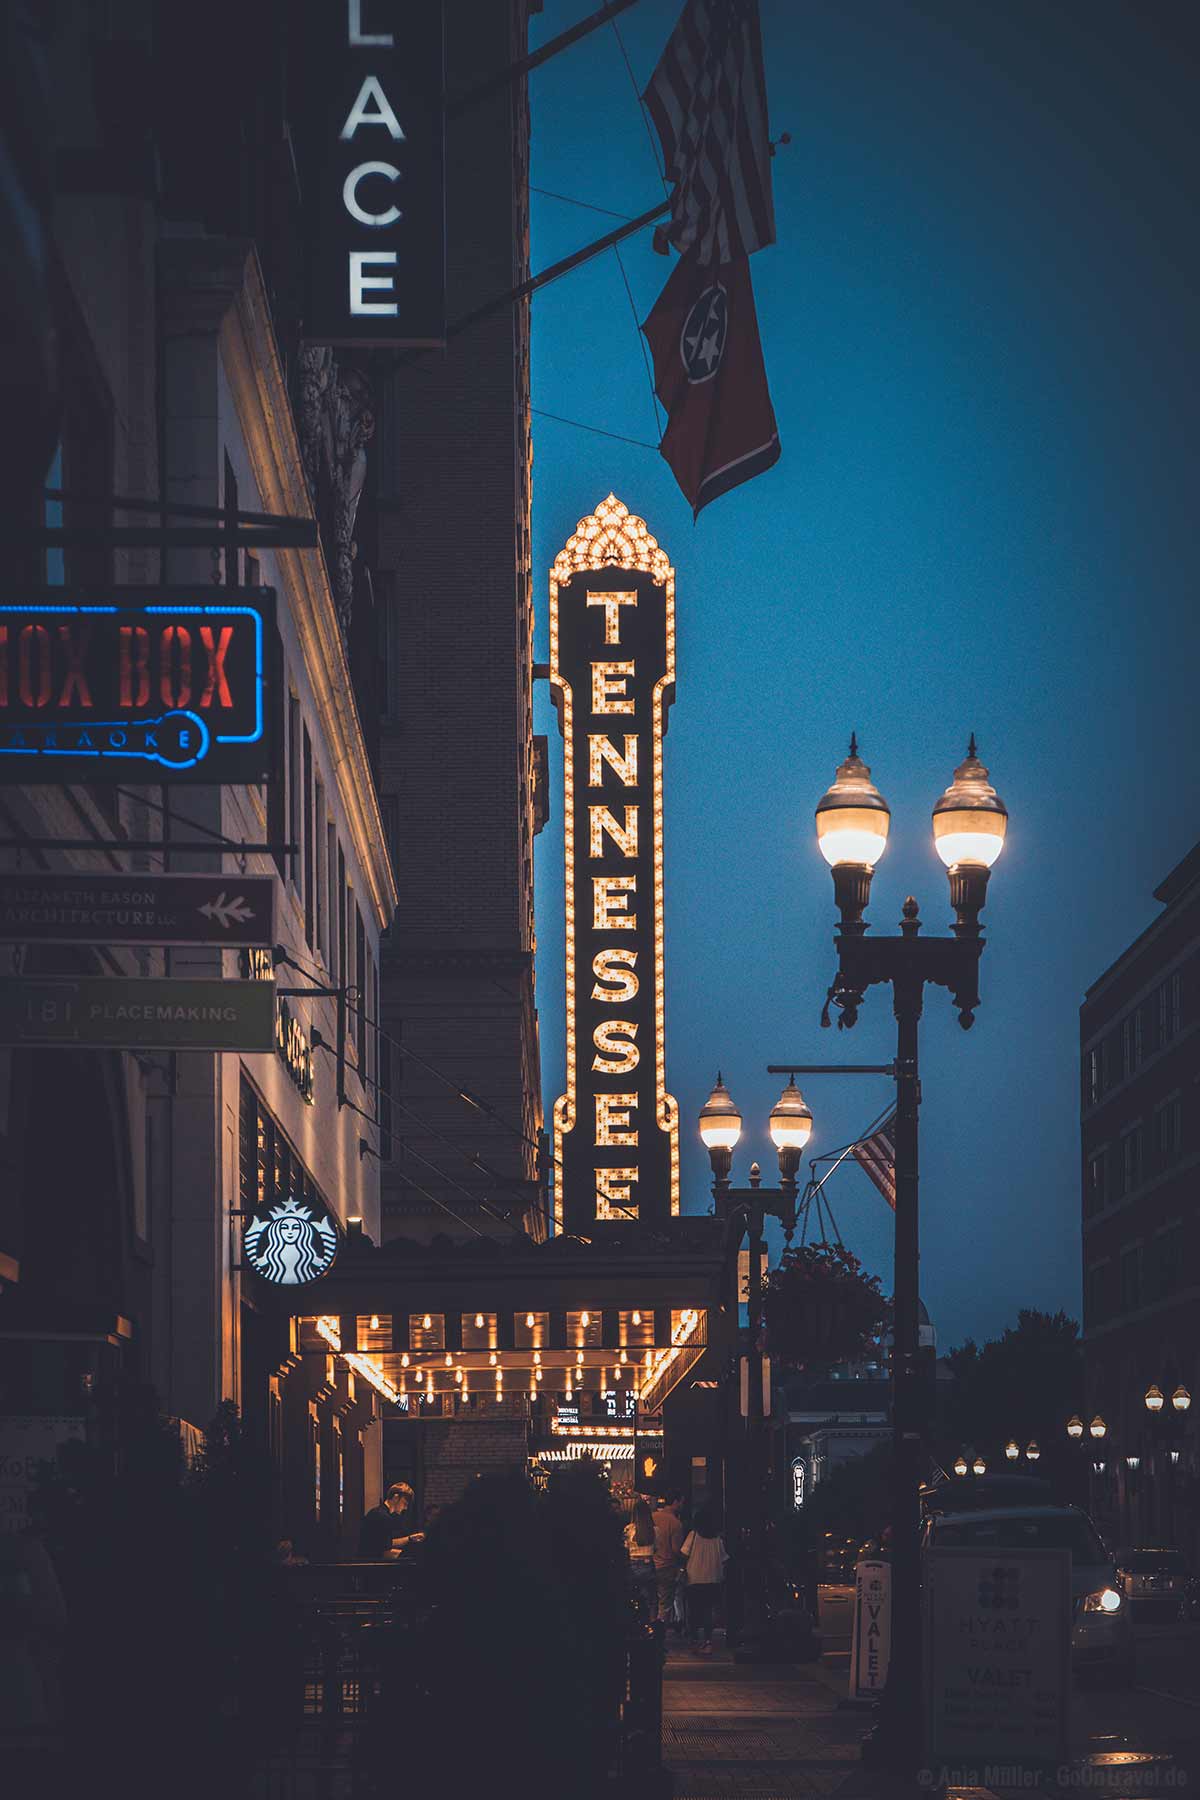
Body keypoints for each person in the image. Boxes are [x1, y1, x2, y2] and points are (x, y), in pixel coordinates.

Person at [681, 1504, 728, 1656]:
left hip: (694, 1578)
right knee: (708, 1612)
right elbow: (724, 1559)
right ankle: (708, 1642)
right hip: (713, 1578)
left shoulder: (693, 1535)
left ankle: (694, 1641)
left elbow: (683, 1554)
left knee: (694, 1612)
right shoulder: (717, 1539)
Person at [358, 1482, 423, 1559]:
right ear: (396, 1497)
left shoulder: (379, 1512)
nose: (405, 1508)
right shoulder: (382, 1517)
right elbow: (383, 1552)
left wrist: (410, 1538)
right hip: (370, 1564)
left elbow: (386, 1543)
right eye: (404, 1503)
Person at [652, 1492, 686, 1627]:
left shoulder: (652, 1517)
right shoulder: (675, 1523)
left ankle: (649, 1630)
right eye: (682, 1502)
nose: (682, 1505)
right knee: (665, 1604)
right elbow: (675, 1550)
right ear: (676, 1502)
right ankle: (659, 1635)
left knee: (652, 1602)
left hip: (649, 1564)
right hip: (666, 1566)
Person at [624, 1497, 656, 1618]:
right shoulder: (654, 1530)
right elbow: (657, 1548)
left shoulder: (628, 1529)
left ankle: (636, 1621)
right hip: (648, 1563)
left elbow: (625, 1547)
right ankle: (650, 1622)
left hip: (633, 1563)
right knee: (651, 1598)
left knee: (634, 1596)